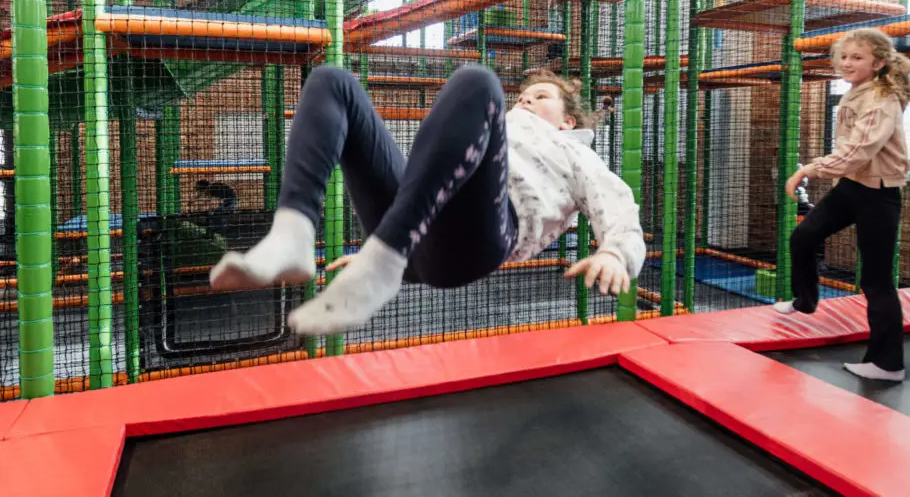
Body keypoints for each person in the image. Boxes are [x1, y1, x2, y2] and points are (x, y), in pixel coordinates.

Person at [208, 65, 646, 335]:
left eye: (541, 97)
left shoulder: (575, 152)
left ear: (569, 121)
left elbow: (620, 210)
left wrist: (616, 254)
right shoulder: (499, 122)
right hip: (418, 227)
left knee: (477, 82)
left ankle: (384, 258)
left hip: (484, 237)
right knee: (332, 81)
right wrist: (409, 269)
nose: (526, 100)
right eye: (523, 97)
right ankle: (293, 231)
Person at [774, 28, 910, 383]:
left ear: (878, 63)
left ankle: (888, 364)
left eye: (857, 58)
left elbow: (857, 152)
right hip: (851, 187)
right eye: (844, 57)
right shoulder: (858, 91)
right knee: (803, 236)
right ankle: (805, 301)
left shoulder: (881, 99)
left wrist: (809, 169)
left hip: (878, 194)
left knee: (876, 280)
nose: (847, 63)